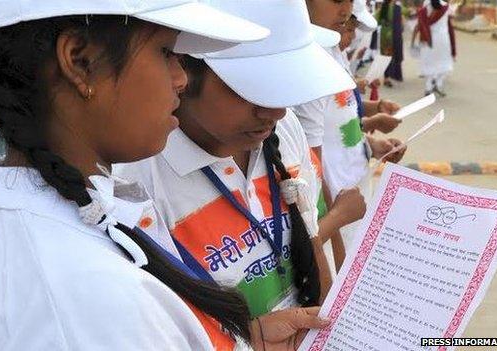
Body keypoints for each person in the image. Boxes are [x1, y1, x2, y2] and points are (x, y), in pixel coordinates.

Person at [0, 0, 329, 349]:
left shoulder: (73, 222)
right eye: (166, 52)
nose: (181, 78)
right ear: (80, 61)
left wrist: (249, 340)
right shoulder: (97, 303)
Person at [115, 0, 368, 323]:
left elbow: (311, 241)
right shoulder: (137, 181)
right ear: (182, 71)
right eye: (251, 87)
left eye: (284, 84)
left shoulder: (284, 129)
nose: (274, 110)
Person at [297, 0, 407, 270]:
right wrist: (334, 232)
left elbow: (341, 123)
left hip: (352, 196)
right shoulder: (309, 68)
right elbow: (311, 160)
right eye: (337, 1)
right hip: (335, 207)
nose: (346, 12)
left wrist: (371, 145)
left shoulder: (333, 52)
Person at [411, 0, 457, 97]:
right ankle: (438, 84)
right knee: (444, 63)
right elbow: (451, 20)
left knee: (429, 63)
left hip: (428, 40)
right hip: (443, 39)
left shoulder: (426, 5)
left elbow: (421, 23)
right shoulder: (446, 6)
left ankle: (428, 88)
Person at [377, 0, 405, 86]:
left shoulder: (382, 8)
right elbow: (407, 13)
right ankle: (394, 75)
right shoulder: (397, 7)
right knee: (395, 55)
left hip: (385, 36)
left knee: (386, 57)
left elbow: (377, 21)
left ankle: (386, 77)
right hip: (394, 35)